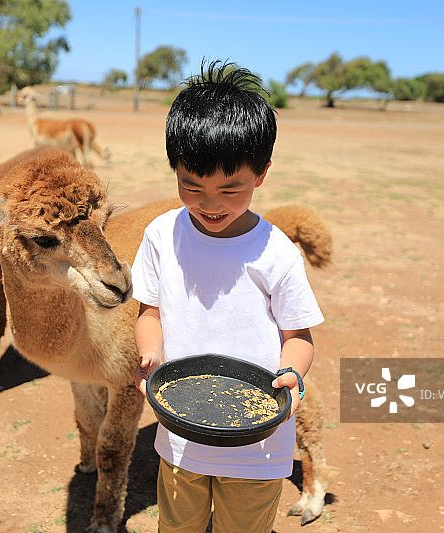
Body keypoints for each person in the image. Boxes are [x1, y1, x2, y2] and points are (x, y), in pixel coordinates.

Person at [131, 59, 325, 533]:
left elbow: (299, 336)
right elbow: (148, 312)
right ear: (174, 167)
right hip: (181, 431)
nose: (209, 204)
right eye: (191, 185)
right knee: (177, 526)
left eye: (229, 188)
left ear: (261, 174)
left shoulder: (276, 252)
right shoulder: (161, 235)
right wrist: (149, 351)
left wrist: (290, 374)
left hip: (257, 440)